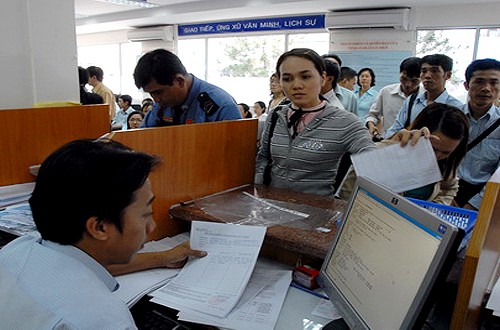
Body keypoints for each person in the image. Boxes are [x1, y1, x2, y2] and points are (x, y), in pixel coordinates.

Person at [0, 139, 206, 328]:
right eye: (145, 214)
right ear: (99, 228)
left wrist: (163, 257)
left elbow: (84, 264)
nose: (151, 227)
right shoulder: (103, 321)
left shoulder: (19, 248)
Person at [255, 48, 375, 197]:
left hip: (317, 211)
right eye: (287, 79)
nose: (296, 85)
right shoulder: (276, 115)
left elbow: (374, 162)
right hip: (273, 207)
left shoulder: (346, 122)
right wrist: (259, 192)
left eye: (305, 77)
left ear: (323, 78)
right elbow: (263, 157)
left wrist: (401, 145)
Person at [339, 103, 469, 205]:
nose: (437, 156)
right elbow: (348, 194)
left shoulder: (446, 165)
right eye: (432, 149)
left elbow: (449, 189)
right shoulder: (385, 152)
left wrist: (433, 208)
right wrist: (392, 151)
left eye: (446, 152)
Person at [133, 49, 241, 127]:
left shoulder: (221, 105)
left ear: (179, 81)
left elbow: (234, 151)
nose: (155, 99)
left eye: (158, 92)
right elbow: (144, 137)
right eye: (151, 94)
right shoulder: (162, 106)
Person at [453, 58, 500, 210]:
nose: (486, 88)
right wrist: (445, 193)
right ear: (467, 85)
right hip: (447, 188)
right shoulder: (450, 117)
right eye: (479, 81)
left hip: (484, 195)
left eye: (494, 82)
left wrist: (475, 204)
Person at [385, 54, 463, 137]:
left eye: (434, 71)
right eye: (423, 71)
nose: (427, 76)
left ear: (447, 75)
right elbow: (396, 129)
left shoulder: (456, 107)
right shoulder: (412, 100)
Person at [366, 57, 422, 138]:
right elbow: (373, 115)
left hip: (416, 144)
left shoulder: (426, 97)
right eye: (404, 79)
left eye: (414, 81)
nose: (408, 84)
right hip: (389, 142)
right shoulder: (386, 92)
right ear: (399, 73)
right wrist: (371, 125)